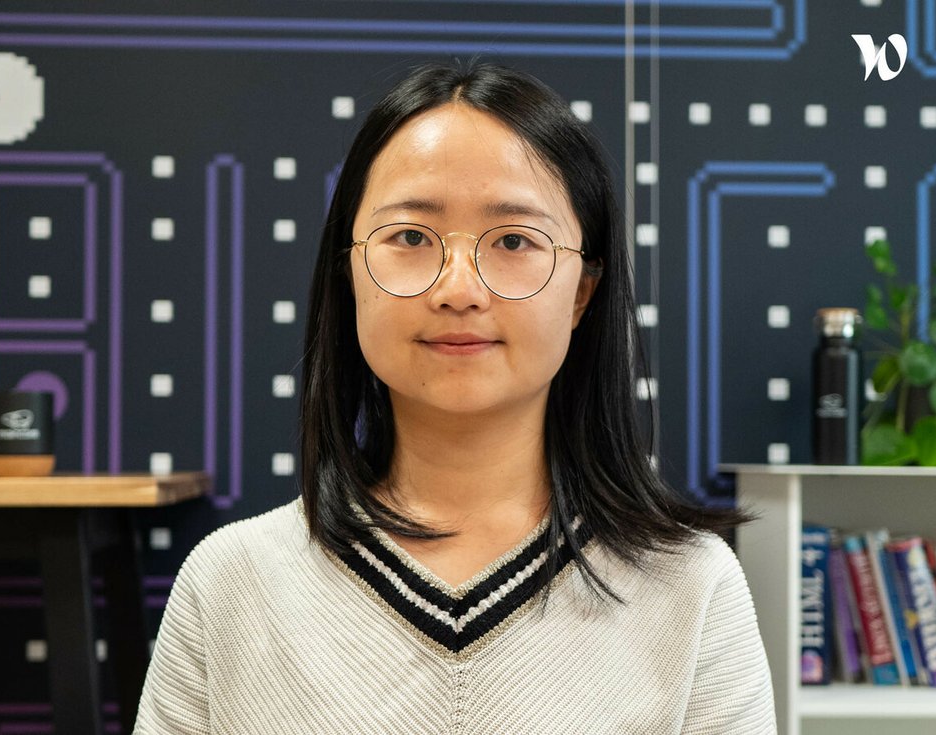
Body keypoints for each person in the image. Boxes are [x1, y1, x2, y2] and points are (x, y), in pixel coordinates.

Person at [133, 62, 776, 734]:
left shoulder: (692, 588)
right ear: (350, 271)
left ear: (581, 293)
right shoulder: (229, 584)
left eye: (514, 241)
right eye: (411, 237)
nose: (459, 289)